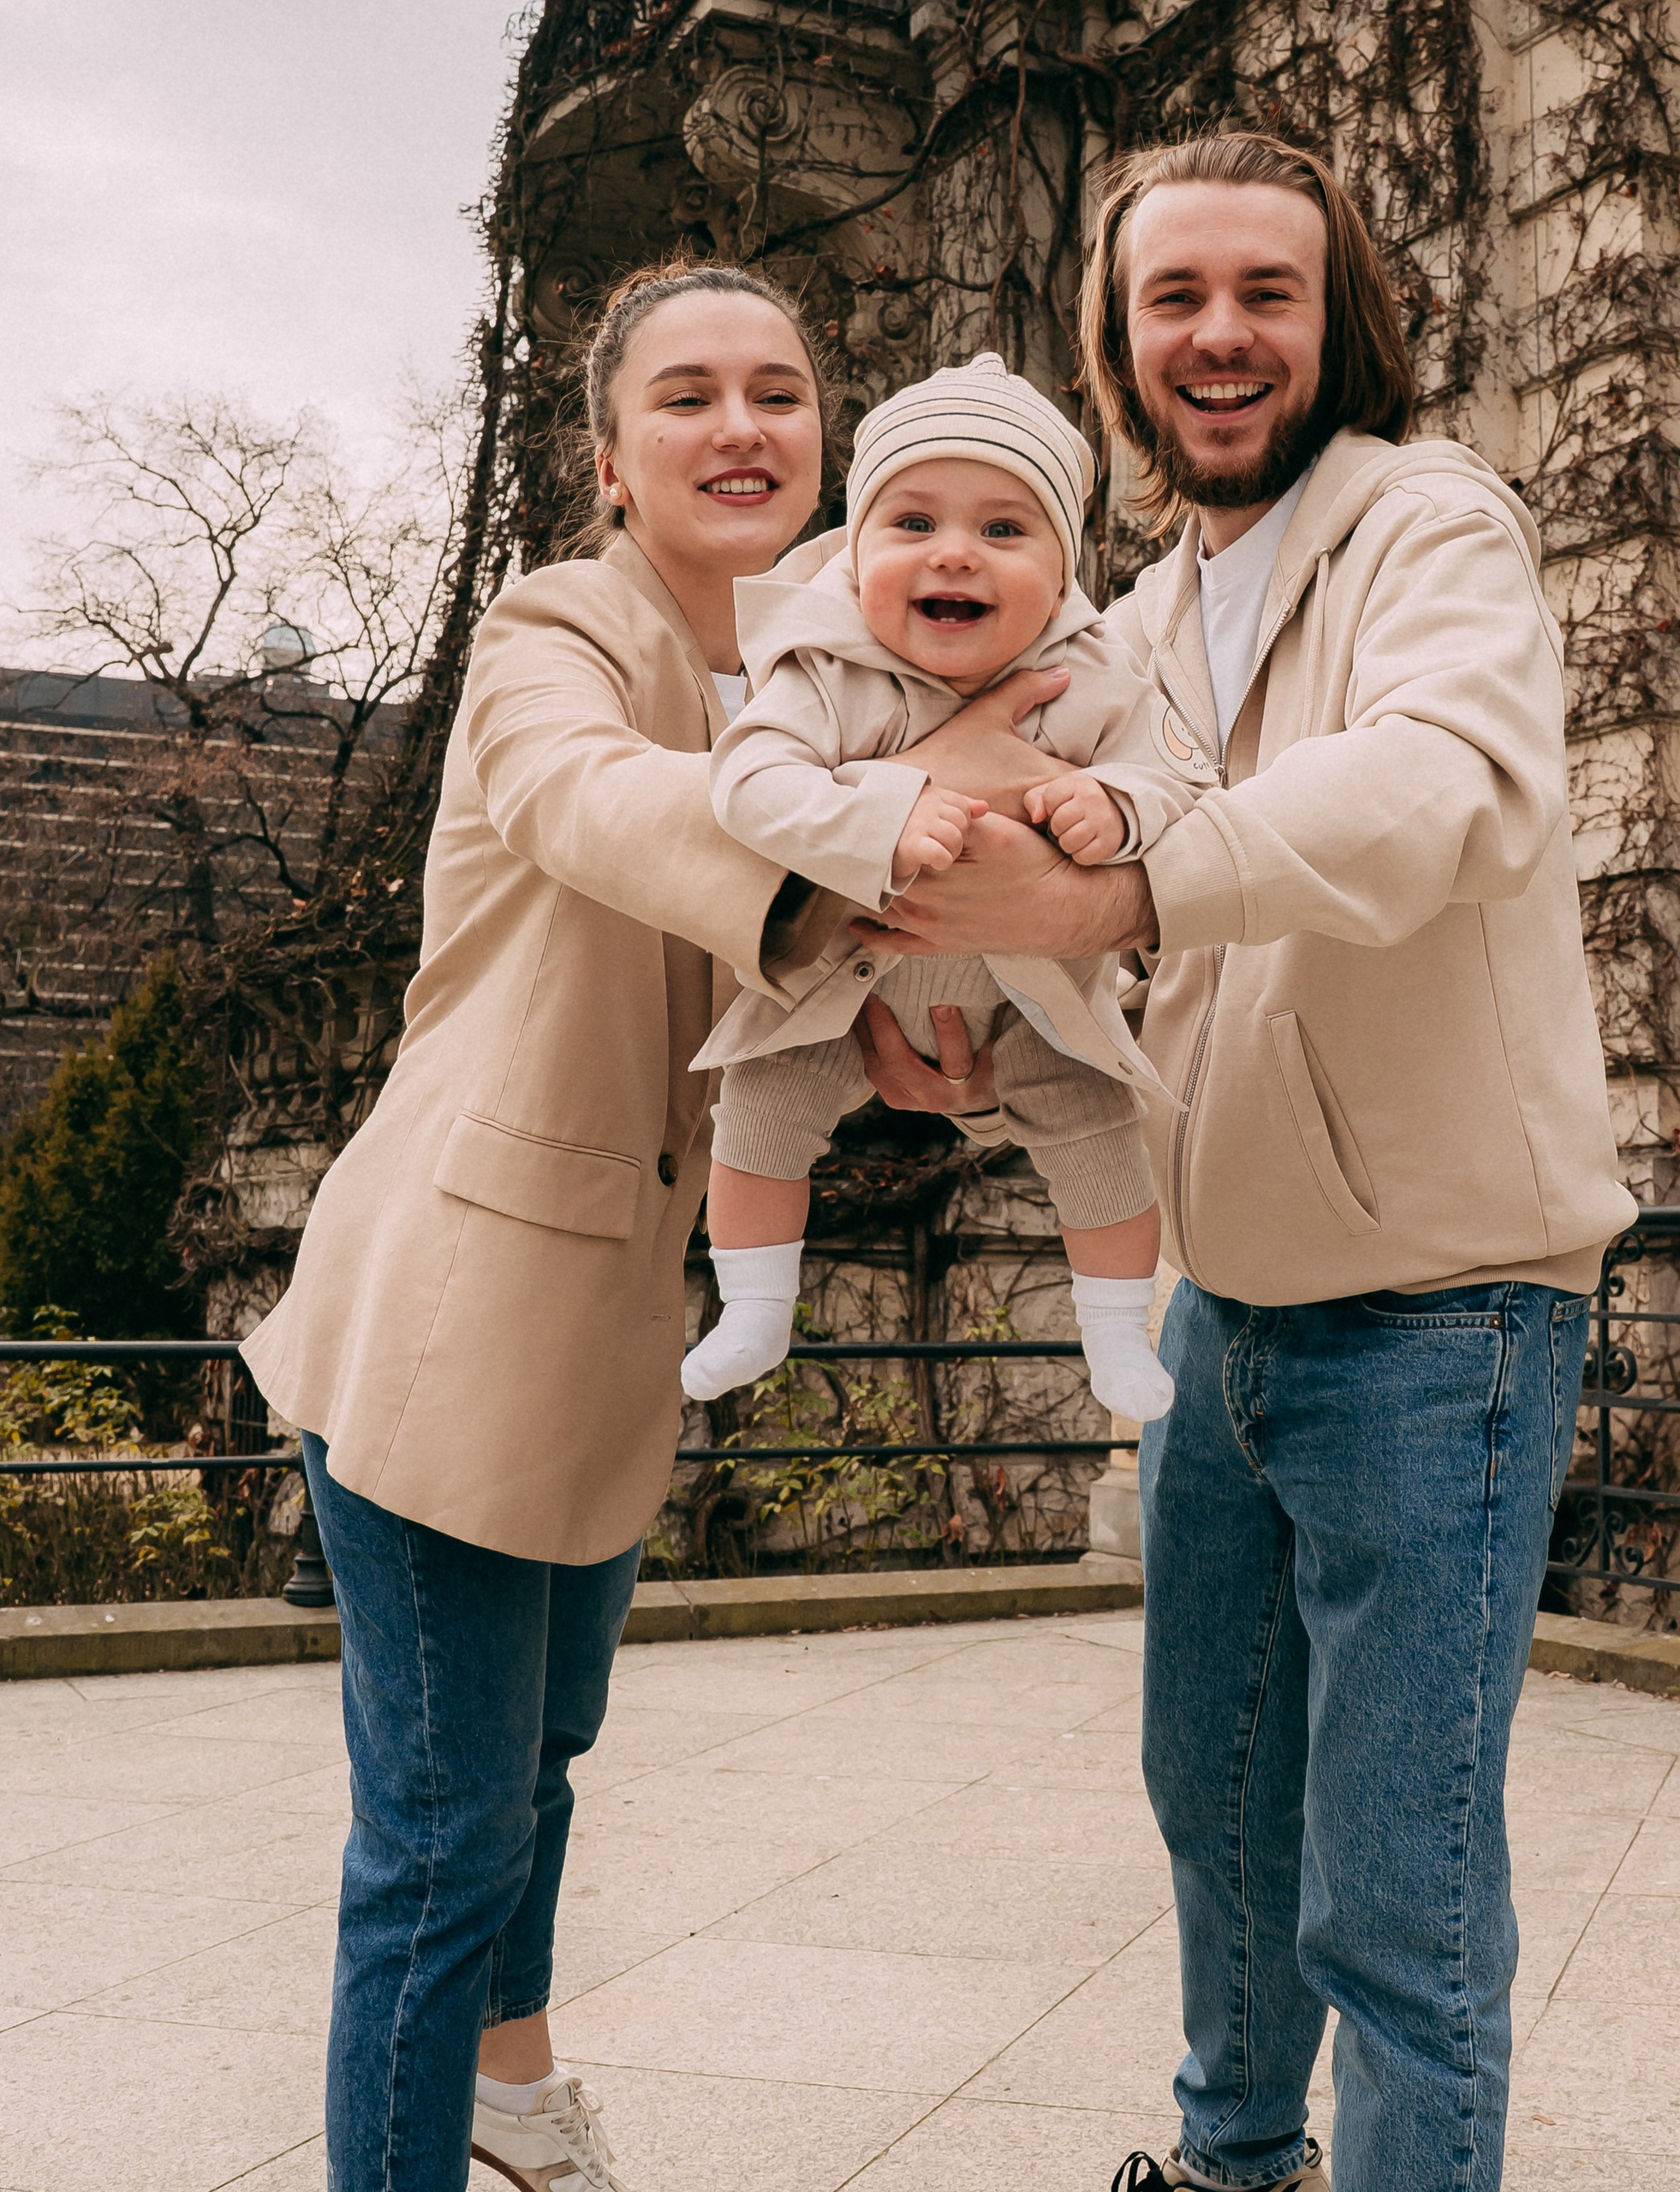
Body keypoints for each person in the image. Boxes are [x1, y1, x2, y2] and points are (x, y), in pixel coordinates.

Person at [851, 134, 1637, 2192]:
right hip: (1228, 1299)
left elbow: (1431, 791)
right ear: (1114, 343)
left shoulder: (1423, 524)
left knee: (1395, 1889)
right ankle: (1225, 2165)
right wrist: (944, 1014)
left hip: (1443, 1302)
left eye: (1260, 293)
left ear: (1333, 316)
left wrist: (1136, 878)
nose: (1215, 336)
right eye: (1169, 298)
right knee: (1213, 1802)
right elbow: (1062, 906)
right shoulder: (1126, 613)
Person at [236, 263, 1063, 2192]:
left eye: (779, 392)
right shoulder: (557, 633)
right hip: (449, 1308)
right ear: (611, 458)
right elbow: (592, 803)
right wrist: (874, 824)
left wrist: (881, 1030)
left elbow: (738, 981)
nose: (742, 427)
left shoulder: (805, 679)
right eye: (688, 396)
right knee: (436, 1845)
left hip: (600, 1321)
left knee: (532, 1776)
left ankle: (510, 2110)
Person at [678, 352, 1207, 1421]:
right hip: (843, 985)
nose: (955, 554)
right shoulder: (825, 670)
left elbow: (1181, 784)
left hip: (1034, 998)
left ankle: (1113, 1335)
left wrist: (1118, 806)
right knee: (762, 1111)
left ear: (1062, 574)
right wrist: (882, 809)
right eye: (912, 524)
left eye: (1004, 531)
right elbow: (747, 783)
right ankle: (752, 1306)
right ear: (857, 551)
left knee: (1101, 1128)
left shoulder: (1095, 675)